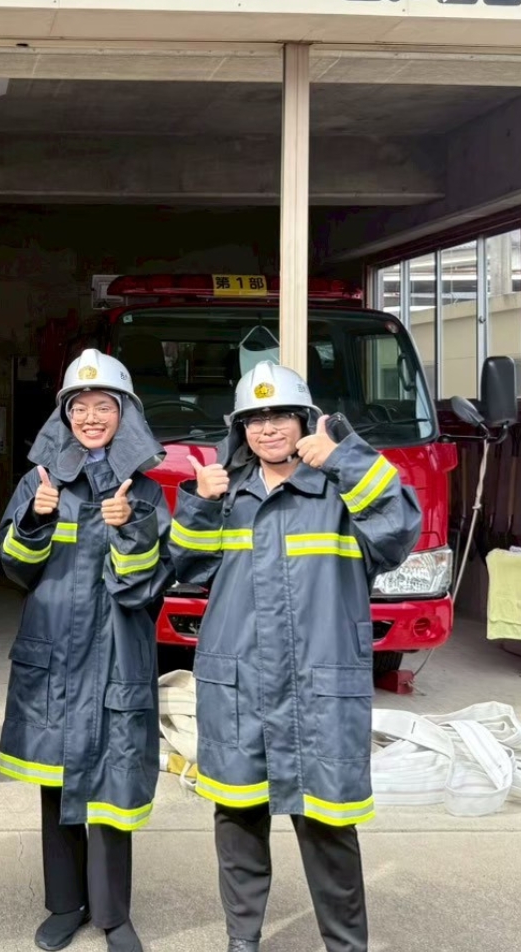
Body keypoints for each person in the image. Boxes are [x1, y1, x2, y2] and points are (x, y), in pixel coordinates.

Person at [168, 361, 422, 952]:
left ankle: (345, 945)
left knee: (330, 824)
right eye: (254, 419)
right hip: (239, 687)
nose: (267, 428)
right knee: (237, 821)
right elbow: (187, 568)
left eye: (279, 414)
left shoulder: (340, 492)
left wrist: (343, 457)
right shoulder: (225, 494)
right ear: (241, 431)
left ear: (305, 421)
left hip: (317, 685)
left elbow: (399, 528)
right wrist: (199, 505)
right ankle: (243, 941)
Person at [0, 350, 171, 952]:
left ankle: (114, 914)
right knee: (57, 785)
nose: (92, 417)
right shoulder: (38, 482)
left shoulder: (146, 489)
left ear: (125, 414)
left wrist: (129, 527)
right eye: (80, 407)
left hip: (117, 655)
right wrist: (34, 522)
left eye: (105, 406)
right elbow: (14, 570)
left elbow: (148, 584)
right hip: (54, 654)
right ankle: (64, 905)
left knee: (115, 790)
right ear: (64, 415)